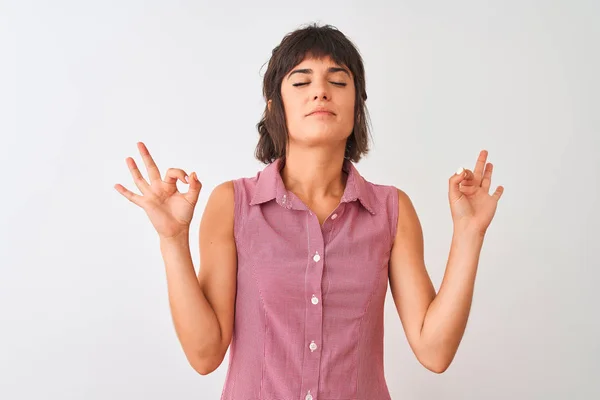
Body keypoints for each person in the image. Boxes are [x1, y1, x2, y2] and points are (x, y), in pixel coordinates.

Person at [114, 23, 504, 400]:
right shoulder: (232, 204)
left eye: (338, 81)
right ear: (275, 107)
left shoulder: (391, 210)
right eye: (301, 82)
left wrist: (470, 233)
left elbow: (434, 352)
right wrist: (172, 239)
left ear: (357, 104)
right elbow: (204, 356)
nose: (320, 92)